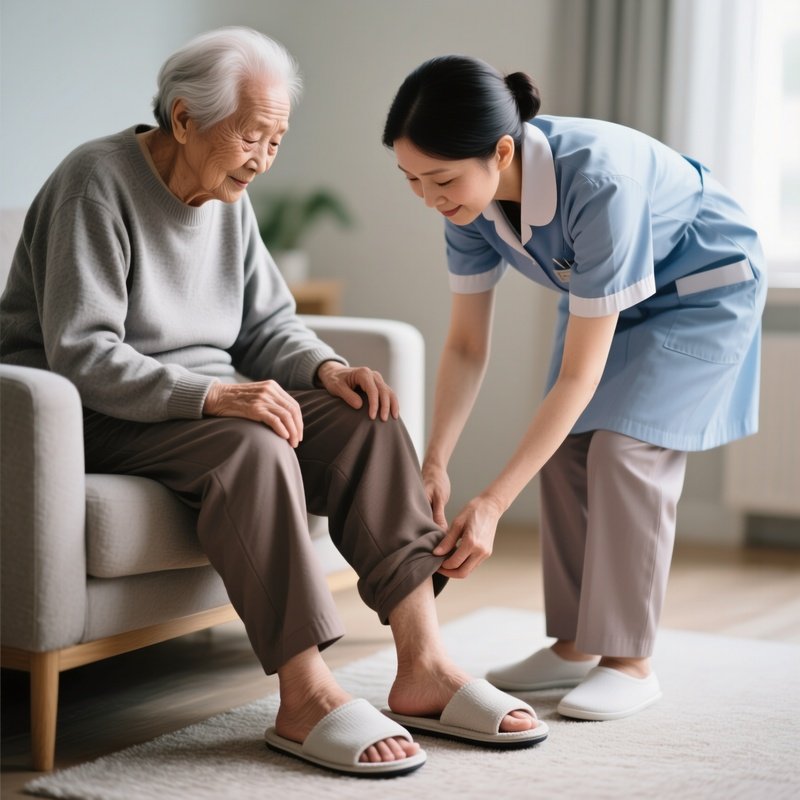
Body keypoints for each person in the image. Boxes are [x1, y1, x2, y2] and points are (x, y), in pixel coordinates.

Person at [0, 31, 548, 777]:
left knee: (367, 420)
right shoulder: (95, 182)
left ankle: (423, 665)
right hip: (91, 411)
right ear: (184, 119)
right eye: (251, 135)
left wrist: (326, 370)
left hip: (200, 403)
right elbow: (84, 352)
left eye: (276, 140)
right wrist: (214, 394)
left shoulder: (228, 196)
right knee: (252, 443)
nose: (262, 158)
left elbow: (266, 323)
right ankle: (304, 695)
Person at [382, 55, 766, 721]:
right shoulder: (465, 203)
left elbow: (579, 376)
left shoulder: (598, 183)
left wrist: (493, 503)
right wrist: (435, 462)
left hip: (701, 292)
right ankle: (575, 644)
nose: (428, 198)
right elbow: (467, 345)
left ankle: (630, 661)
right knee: (563, 449)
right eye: (411, 179)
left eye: (440, 179)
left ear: (502, 152)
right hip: (606, 297)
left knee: (625, 450)